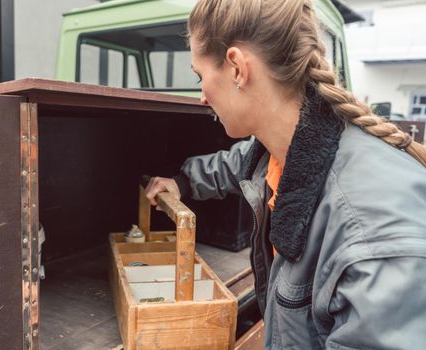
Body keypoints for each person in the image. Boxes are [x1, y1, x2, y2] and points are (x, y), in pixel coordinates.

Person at [144, 0, 426, 349]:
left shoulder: (372, 233)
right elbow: (240, 163)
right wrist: (182, 182)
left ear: (236, 68)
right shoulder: (285, 147)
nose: (201, 97)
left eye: (200, 77)